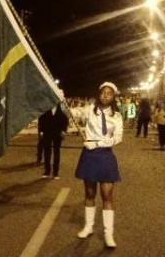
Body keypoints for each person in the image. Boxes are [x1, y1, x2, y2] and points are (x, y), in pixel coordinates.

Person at [75, 82, 122, 249]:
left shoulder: (116, 115)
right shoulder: (90, 109)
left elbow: (118, 137)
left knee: (107, 195)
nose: (105, 95)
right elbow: (74, 113)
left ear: (113, 96)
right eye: (103, 92)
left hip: (105, 155)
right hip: (89, 154)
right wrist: (60, 99)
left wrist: (100, 143)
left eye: (109, 93)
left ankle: (108, 233)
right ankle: (88, 227)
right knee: (89, 193)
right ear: (99, 94)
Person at [38, 102, 69, 179]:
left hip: (57, 133)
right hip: (47, 133)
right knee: (47, 152)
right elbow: (41, 119)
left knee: (56, 152)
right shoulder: (46, 107)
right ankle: (47, 171)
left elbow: (66, 119)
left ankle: (56, 173)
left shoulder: (61, 107)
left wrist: (64, 130)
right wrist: (41, 131)